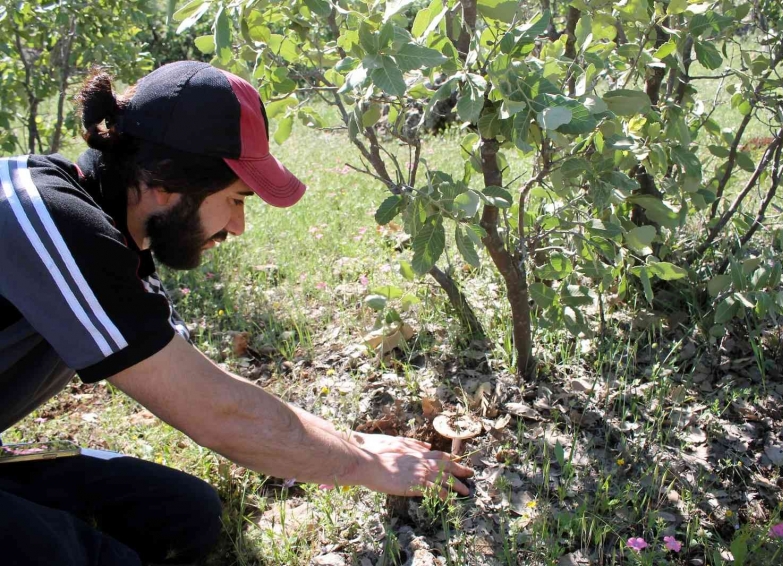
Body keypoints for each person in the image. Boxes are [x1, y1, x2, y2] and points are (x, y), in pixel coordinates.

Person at [0, 61, 472, 566]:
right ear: (166, 183)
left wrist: (357, 443)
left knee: (186, 515)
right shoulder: (45, 216)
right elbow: (215, 414)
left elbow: (199, 380)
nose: (239, 225)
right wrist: (363, 464)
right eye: (235, 199)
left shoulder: (117, 231)